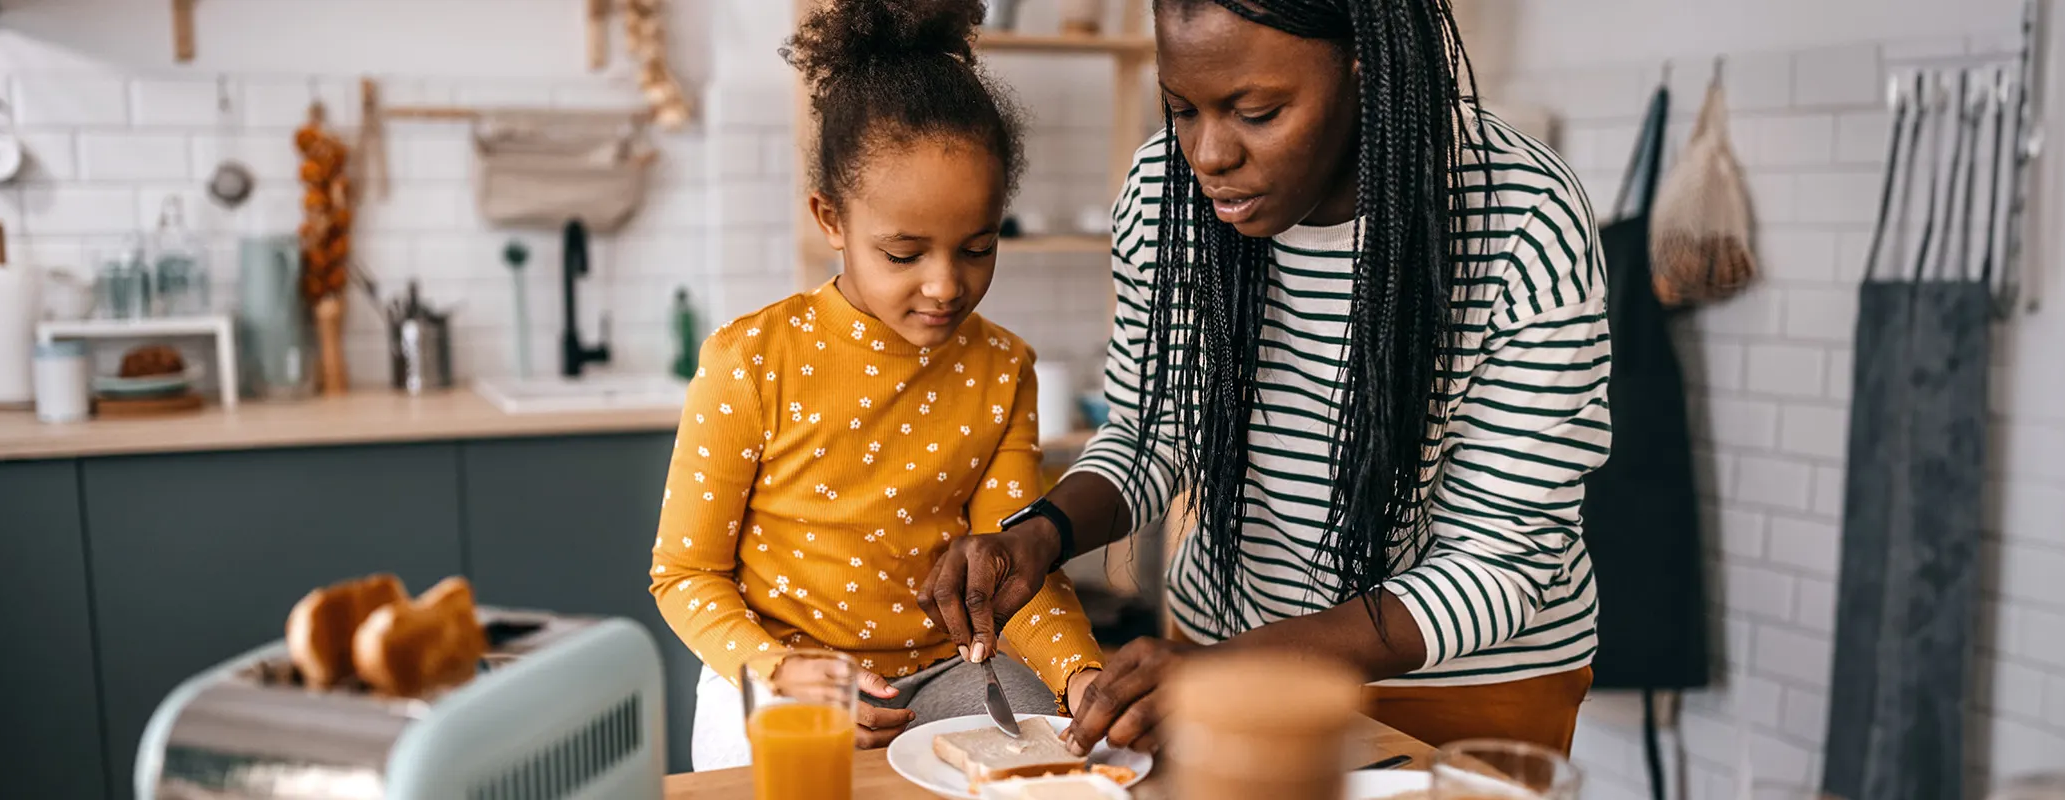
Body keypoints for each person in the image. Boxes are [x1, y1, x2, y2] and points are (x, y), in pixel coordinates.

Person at [920, 0, 1610, 755]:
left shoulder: (1520, 214)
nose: (1208, 154)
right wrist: (1039, 535)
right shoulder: (1166, 194)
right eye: (1182, 109)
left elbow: (1501, 559)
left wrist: (1229, 670)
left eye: (1257, 111)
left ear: (1364, 65)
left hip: (1465, 695)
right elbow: (1151, 435)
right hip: (1221, 656)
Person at [648, 0, 1103, 769]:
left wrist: (1080, 674)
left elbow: (1008, 573)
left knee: (1047, 762)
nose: (945, 286)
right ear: (832, 218)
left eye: (978, 248)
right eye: (903, 253)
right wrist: (783, 673)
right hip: (778, 670)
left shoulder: (1004, 369)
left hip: (946, 670)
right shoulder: (749, 361)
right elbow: (684, 575)